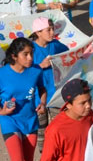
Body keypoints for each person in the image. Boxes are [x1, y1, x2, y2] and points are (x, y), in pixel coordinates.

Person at [0, 37, 46, 161]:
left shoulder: (36, 70)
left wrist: (42, 103)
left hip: (30, 120)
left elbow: (42, 89)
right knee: (18, 160)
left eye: (31, 53)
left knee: (28, 159)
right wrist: (1, 111)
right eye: (25, 54)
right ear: (14, 56)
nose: (30, 58)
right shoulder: (0, 74)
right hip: (10, 121)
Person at [40, 79, 93, 161]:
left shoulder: (90, 116)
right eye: (82, 103)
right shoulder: (56, 130)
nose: (88, 105)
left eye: (89, 100)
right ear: (68, 105)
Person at [30, 17, 69, 150]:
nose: (52, 32)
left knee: (59, 126)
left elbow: (68, 53)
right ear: (38, 32)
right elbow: (23, 72)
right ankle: (44, 156)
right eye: (48, 30)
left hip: (56, 93)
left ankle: (58, 153)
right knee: (42, 128)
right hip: (37, 97)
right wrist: (40, 66)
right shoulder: (30, 49)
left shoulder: (55, 45)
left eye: (53, 29)